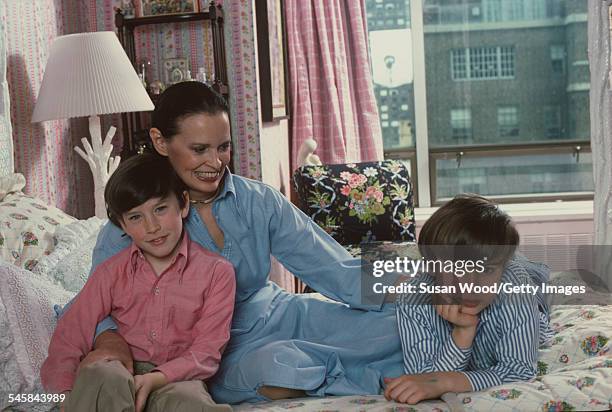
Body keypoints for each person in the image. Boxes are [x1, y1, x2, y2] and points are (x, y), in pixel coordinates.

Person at [62, 81, 405, 404]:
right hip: (216, 352)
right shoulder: (133, 226)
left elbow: (334, 269)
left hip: (279, 315)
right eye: (199, 150)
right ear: (161, 141)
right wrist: (110, 343)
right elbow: (99, 307)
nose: (215, 162)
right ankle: (349, 372)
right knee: (282, 366)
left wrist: (428, 284)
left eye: (223, 147)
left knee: (404, 326)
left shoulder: (258, 200)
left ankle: (390, 363)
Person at [42, 154, 235, 412]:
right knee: (100, 374)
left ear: (183, 204)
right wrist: (63, 395)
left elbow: (206, 352)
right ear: (122, 224)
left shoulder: (216, 272)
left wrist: (157, 378)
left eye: (160, 209)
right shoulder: (110, 272)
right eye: (135, 217)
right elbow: (70, 334)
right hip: (121, 371)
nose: (152, 226)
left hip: (175, 377)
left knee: (191, 403)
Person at [385, 194, 554, 404]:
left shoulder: (514, 283)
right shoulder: (413, 298)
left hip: (523, 278)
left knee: (533, 275)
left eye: (486, 270)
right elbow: (423, 378)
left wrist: (447, 381)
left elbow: (519, 370)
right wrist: (462, 333)